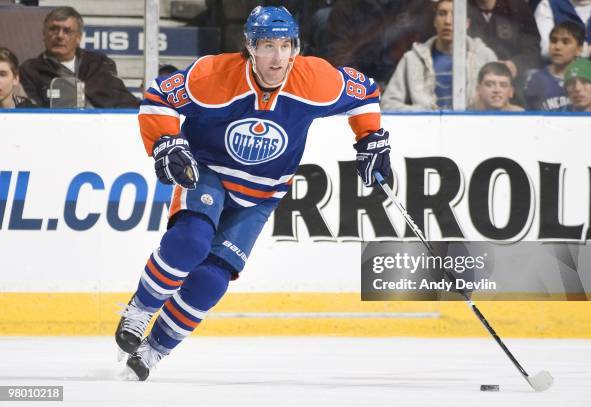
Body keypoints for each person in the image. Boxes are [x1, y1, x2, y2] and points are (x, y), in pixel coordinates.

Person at [115, 6, 391, 381]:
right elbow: (157, 98)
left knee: (213, 278)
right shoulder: (213, 75)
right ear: (250, 47)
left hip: (261, 195)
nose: (278, 58)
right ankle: (141, 309)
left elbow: (365, 93)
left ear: (296, 47)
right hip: (208, 173)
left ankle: (155, 349)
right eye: (267, 45)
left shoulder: (315, 79)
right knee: (191, 242)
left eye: (285, 45)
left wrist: (371, 138)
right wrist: (166, 142)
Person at [381, 0, 497, 111]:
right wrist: (421, 112)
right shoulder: (413, 59)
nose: (448, 21)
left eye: (455, 14)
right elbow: (388, 104)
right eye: (442, 14)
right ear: (435, 21)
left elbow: (500, 103)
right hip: (426, 129)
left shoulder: (484, 56)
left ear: (467, 23)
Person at [19, 6, 139, 108]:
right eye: (53, 29)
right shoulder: (30, 70)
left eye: (67, 31)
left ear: (78, 38)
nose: (60, 36)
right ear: (44, 34)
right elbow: (29, 110)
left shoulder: (99, 64)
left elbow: (125, 102)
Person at [467, 0, 542, 80]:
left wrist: (515, 65)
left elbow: (533, 51)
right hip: (472, 75)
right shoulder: (462, 7)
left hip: (511, 80)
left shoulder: (518, 7)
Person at [523, 21, 584, 111]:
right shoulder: (537, 79)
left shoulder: (588, 80)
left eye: (565, 42)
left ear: (579, 49)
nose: (557, 47)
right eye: (554, 41)